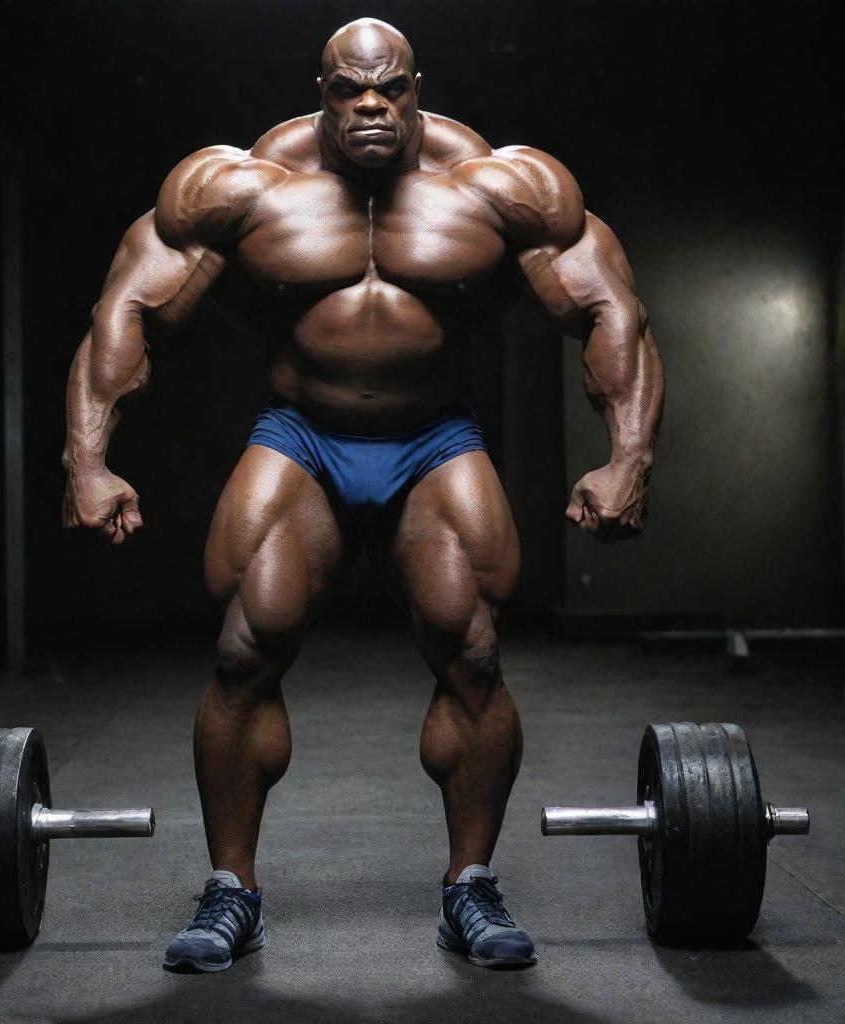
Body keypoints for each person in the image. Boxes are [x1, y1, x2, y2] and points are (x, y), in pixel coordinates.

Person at [61, 17, 664, 972]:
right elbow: (125, 309)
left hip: (433, 438)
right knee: (242, 650)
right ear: (323, 90)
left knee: (472, 653)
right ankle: (231, 893)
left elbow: (609, 309)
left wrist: (626, 456)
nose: (370, 105)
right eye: (350, 89)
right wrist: (88, 461)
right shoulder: (242, 186)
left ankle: (470, 889)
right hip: (303, 437)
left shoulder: (503, 185)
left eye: (389, 88)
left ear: (418, 86)